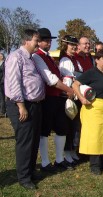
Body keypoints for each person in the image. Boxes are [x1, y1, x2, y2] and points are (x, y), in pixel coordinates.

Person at [5, 29, 45, 190]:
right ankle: (23, 177)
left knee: (34, 140)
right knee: (25, 142)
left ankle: (30, 170)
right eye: (36, 40)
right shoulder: (16, 57)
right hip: (22, 105)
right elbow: (14, 82)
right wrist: (21, 105)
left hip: (35, 105)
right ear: (26, 41)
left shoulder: (32, 58)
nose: (38, 43)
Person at [33, 28, 75, 173]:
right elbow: (51, 80)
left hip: (58, 97)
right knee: (44, 131)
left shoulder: (48, 56)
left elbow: (57, 75)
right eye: (46, 40)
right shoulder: (37, 56)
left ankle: (59, 159)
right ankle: (45, 162)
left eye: (50, 40)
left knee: (62, 128)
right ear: (39, 41)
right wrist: (68, 89)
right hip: (48, 98)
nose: (49, 43)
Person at [72, 50, 103, 175]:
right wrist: (81, 98)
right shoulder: (91, 73)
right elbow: (75, 85)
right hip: (94, 109)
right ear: (96, 60)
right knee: (95, 137)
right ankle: (94, 165)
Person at [59, 35, 82, 167]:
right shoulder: (65, 60)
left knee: (75, 125)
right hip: (69, 95)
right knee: (68, 125)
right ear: (65, 45)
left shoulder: (74, 60)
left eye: (74, 44)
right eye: (71, 44)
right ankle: (66, 153)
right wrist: (70, 92)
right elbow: (67, 79)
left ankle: (72, 150)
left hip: (76, 95)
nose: (73, 47)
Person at [0, 53, 5, 117]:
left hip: (2, 83)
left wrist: (2, 81)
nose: (1, 57)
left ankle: (3, 111)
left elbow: (5, 74)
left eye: (1, 56)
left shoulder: (4, 63)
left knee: (2, 97)